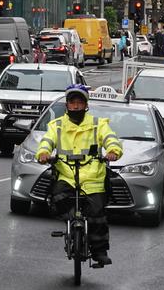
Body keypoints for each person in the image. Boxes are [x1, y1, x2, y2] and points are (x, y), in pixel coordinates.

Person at [36, 84, 123, 266]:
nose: (76, 106)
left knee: (97, 214)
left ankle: (99, 251)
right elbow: (46, 142)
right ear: (67, 105)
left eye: (79, 103)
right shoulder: (56, 125)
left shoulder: (98, 124)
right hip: (67, 175)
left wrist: (113, 151)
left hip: (92, 178)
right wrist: (43, 154)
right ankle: (72, 223)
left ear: (86, 105)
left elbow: (111, 138)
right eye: (72, 102)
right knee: (57, 197)